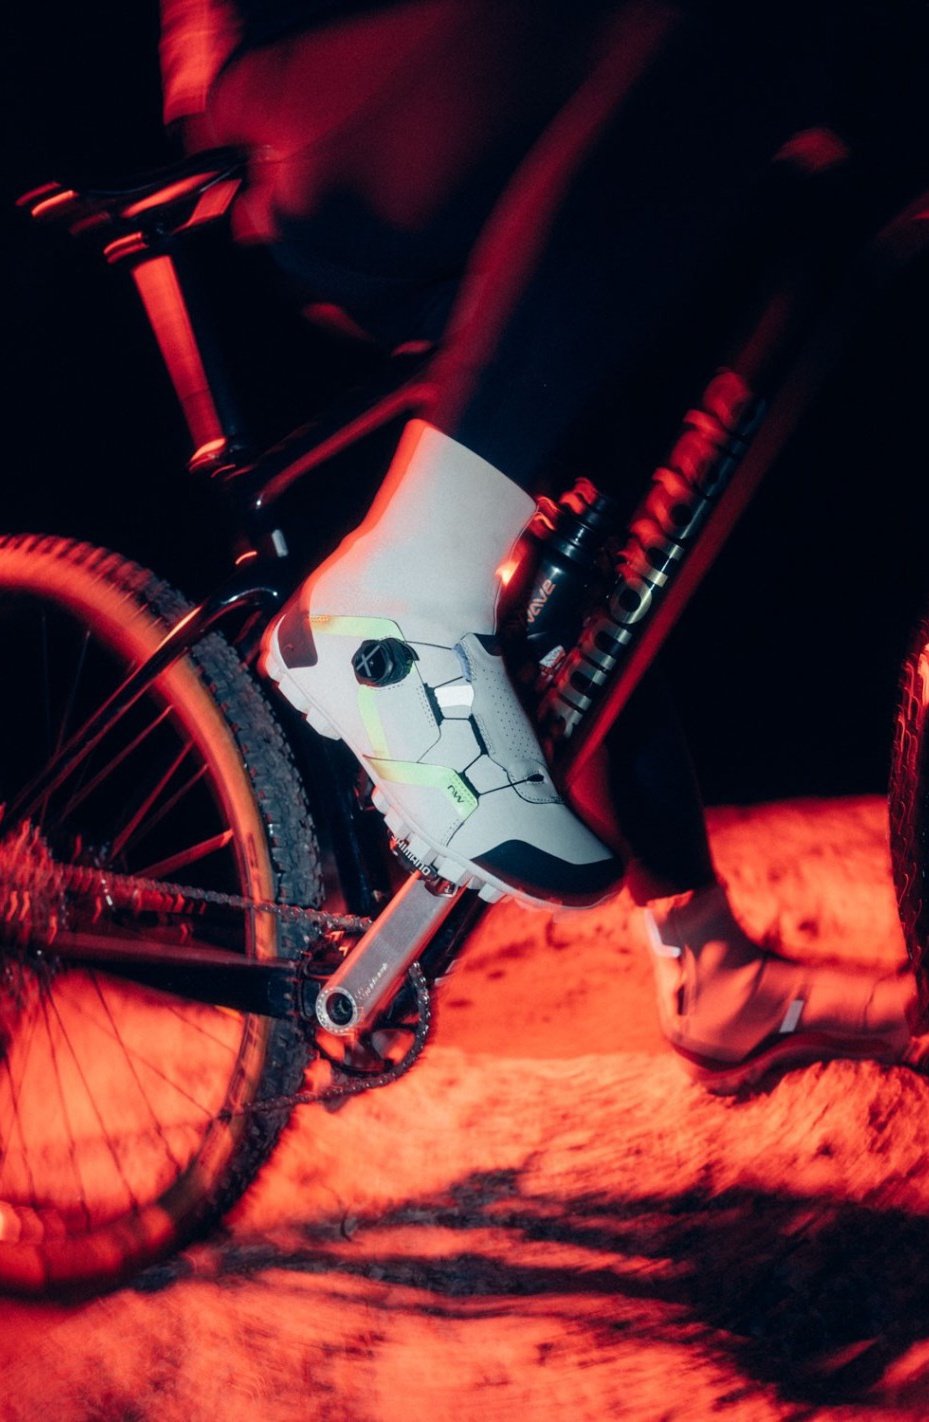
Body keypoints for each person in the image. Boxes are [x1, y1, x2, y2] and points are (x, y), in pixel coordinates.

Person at [160, 0, 927, 1089]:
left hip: (464, 89)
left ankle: (701, 961)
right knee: (732, 29)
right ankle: (404, 587)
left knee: (606, 528)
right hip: (295, 85)